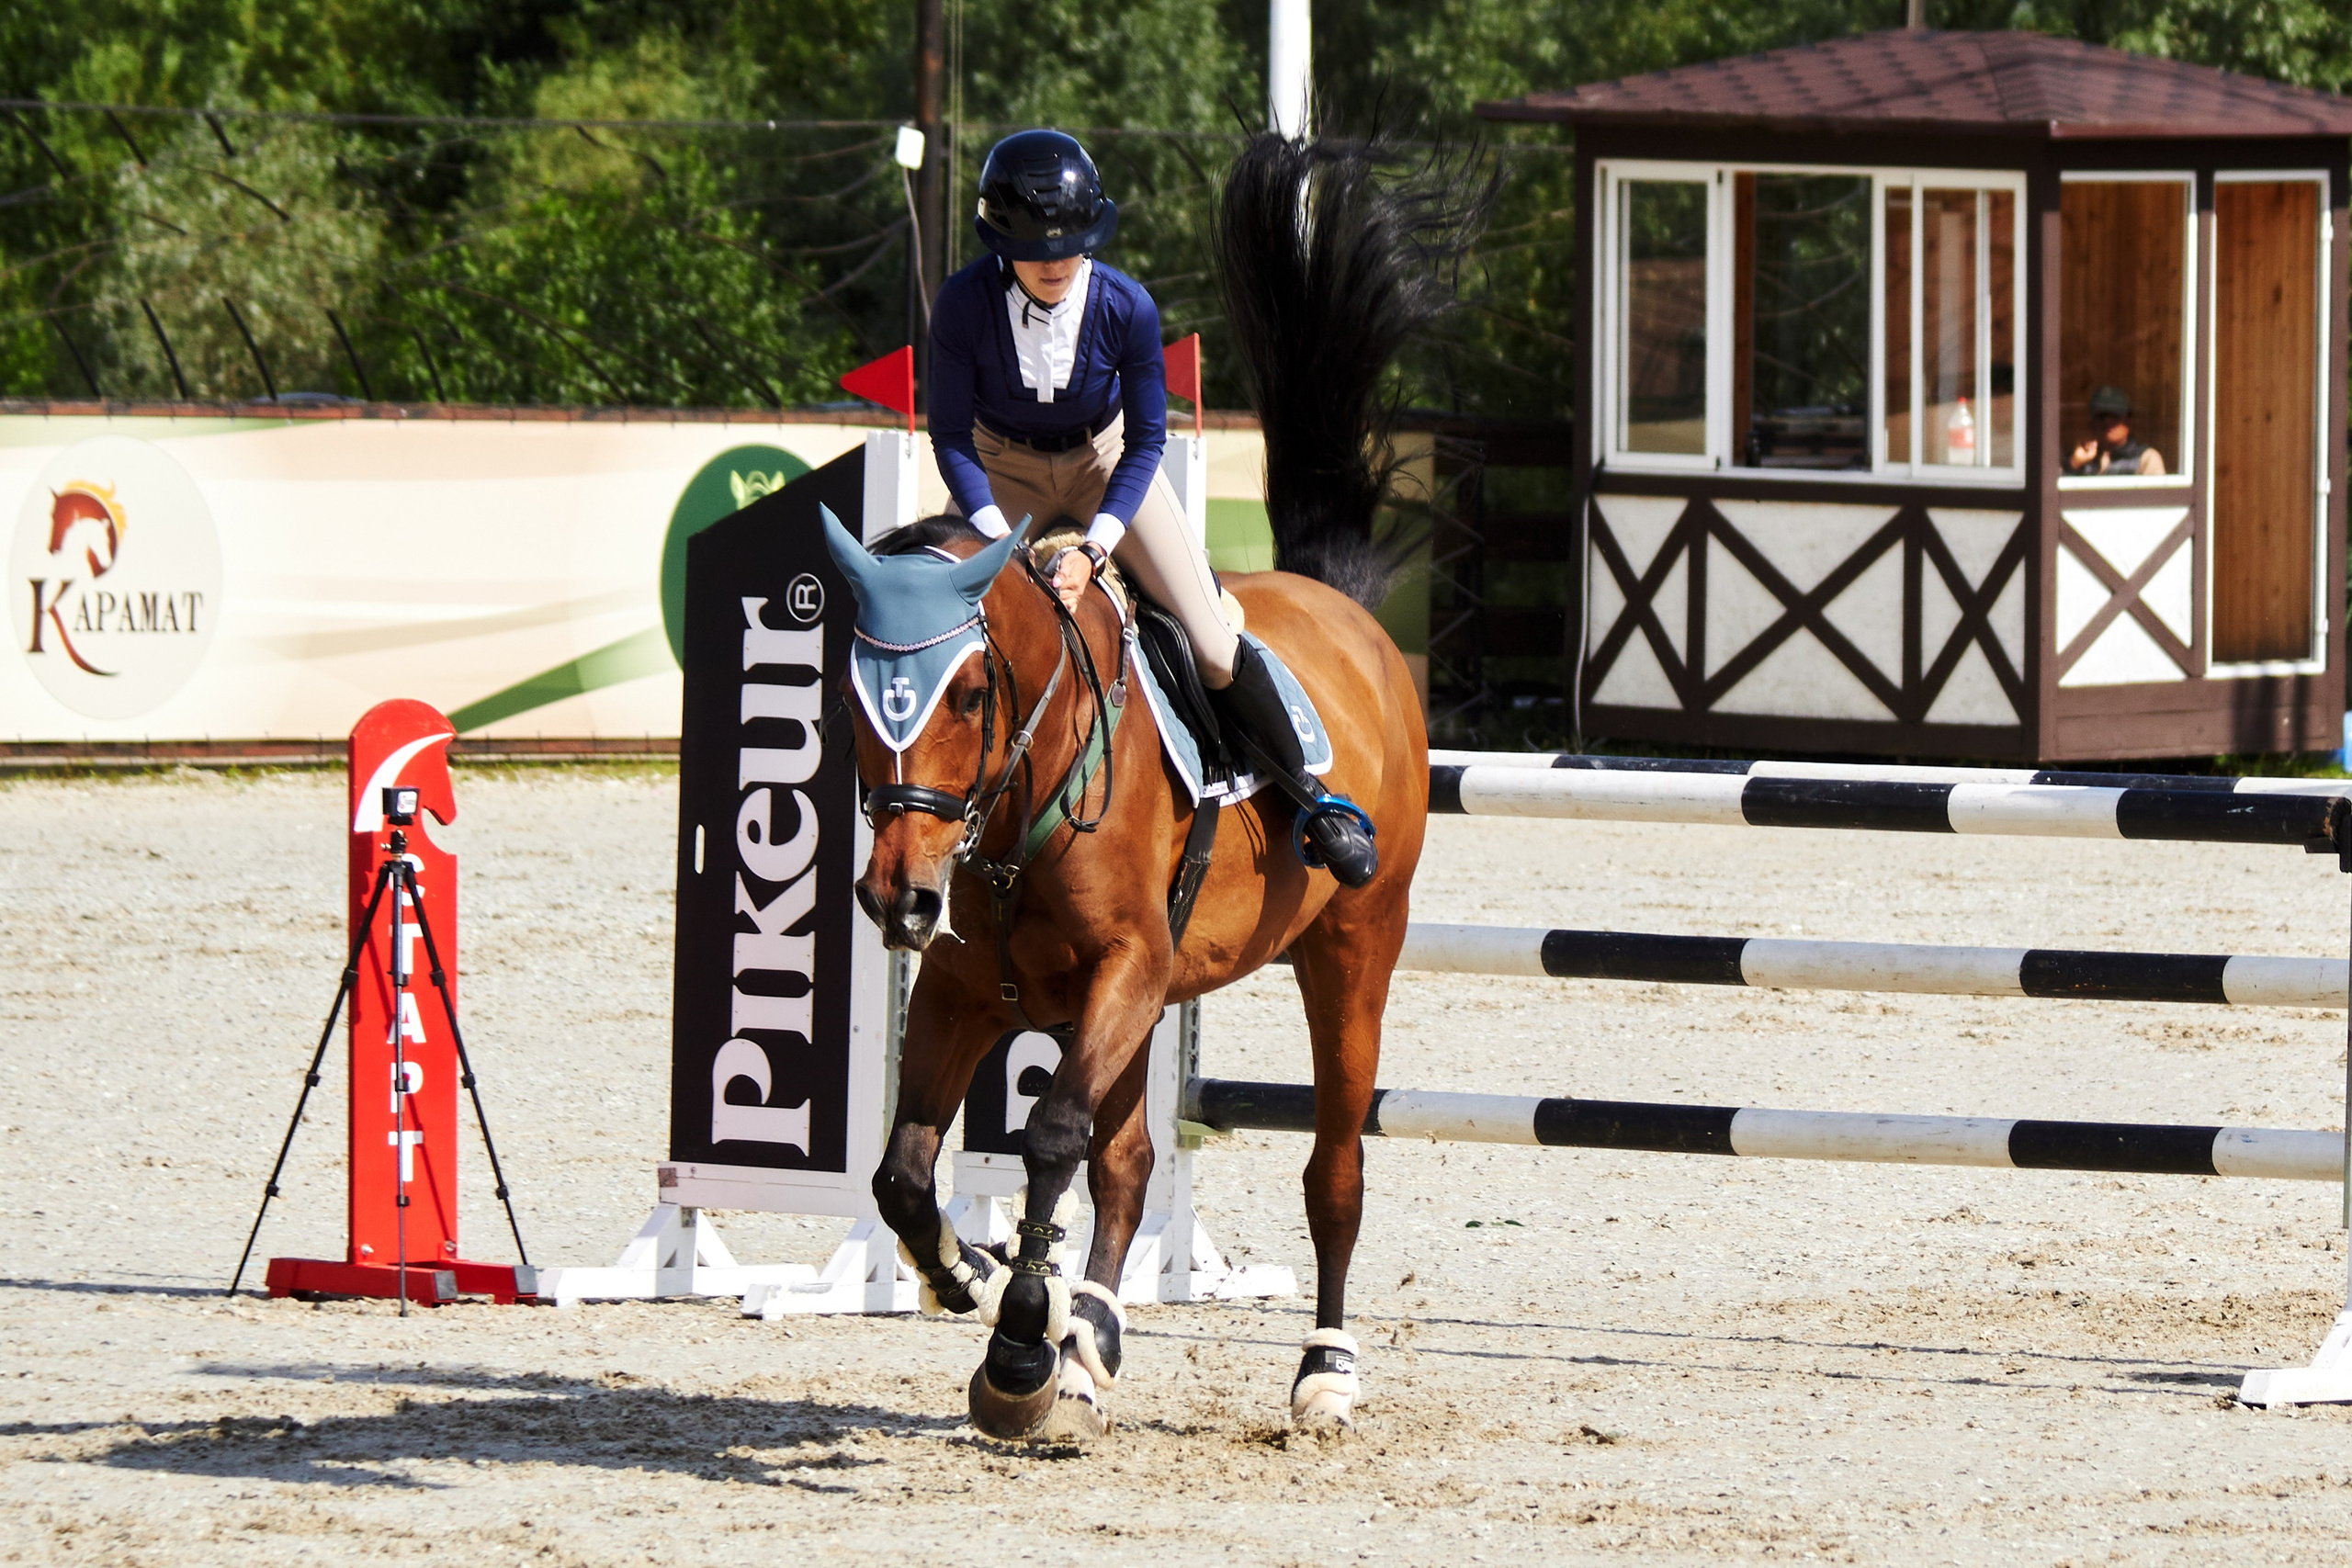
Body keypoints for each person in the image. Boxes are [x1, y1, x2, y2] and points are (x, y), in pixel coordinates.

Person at [926, 130, 1378, 886]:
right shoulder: (964, 304)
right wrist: (1003, 548)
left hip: (1107, 465)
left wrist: (1095, 549)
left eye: (1069, 245)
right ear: (1001, 242)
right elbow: (949, 436)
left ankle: (1315, 797)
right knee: (936, 633)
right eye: (1035, 247)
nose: (1054, 262)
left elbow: (1144, 444)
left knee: (1209, 639)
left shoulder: (1126, 307)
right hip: (996, 472)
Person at [2066, 386, 2165, 477]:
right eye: (2101, 416)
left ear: (2129, 422)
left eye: (2115, 416)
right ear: (2092, 423)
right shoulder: (2083, 457)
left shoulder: (2146, 458)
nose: (2107, 422)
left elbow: (2157, 495)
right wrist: (2074, 464)